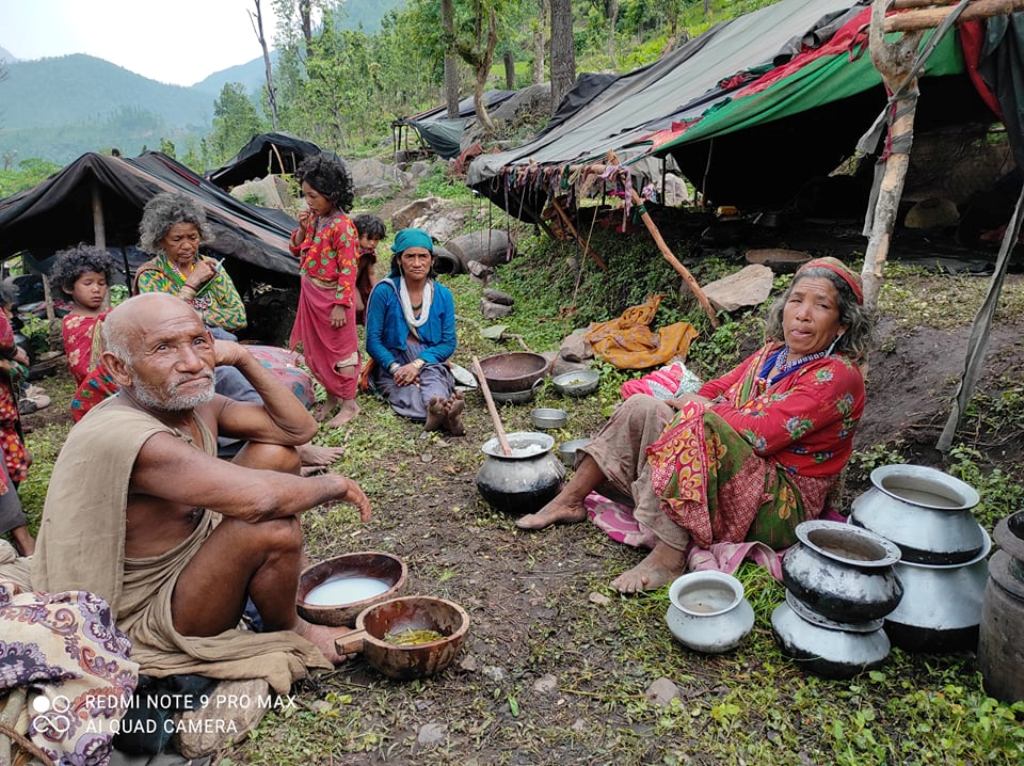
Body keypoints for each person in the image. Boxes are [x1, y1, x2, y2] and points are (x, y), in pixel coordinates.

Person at [6, 293, 372, 692]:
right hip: (144, 613)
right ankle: (292, 627)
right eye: (164, 347)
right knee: (271, 528)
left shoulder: (192, 403)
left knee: (277, 454)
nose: (193, 362)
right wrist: (332, 485)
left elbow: (296, 431)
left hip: (189, 566)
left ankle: (273, 589)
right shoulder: (127, 435)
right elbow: (258, 500)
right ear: (119, 368)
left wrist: (244, 358)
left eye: (199, 341)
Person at [517, 258, 871, 593]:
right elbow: (717, 389)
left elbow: (761, 435)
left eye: (821, 306)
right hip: (740, 469)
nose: (803, 314)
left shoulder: (838, 375)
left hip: (779, 501)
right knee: (643, 406)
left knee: (696, 420)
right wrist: (690, 402)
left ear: (842, 323)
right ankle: (570, 499)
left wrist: (696, 409)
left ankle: (669, 555)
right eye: (796, 300)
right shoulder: (773, 354)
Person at [365, 228, 463, 435]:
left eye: (423, 257)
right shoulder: (384, 292)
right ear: (399, 260)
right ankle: (442, 416)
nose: (417, 263)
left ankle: (437, 409)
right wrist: (396, 368)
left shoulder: (443, 295)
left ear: (432, 259)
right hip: (393, 361)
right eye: (410, 256)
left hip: (428, 359)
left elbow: (447, 343)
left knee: (434, 379)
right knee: (405, 389)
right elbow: (372, 341)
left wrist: (417, 364)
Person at [289, 154, 361, 428]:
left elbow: (348, 268)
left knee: (340, 349)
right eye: (305, 195)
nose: (309, 201)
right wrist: (302, 228)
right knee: (318, 348)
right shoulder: (317, 220)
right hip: (311, 296)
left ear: (332, 193)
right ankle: (332, 396)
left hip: (331, 299)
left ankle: (349, 403)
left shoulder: (343, 226)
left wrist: (342, 303)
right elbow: (298, 248)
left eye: (314, 196)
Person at [134, 192, 247, 332]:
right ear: (160, 241)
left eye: (193, 237)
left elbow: (238, 317)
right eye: (177, 239)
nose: (187, 246)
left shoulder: (212, 267)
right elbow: (162, 322)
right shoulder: (151, 275)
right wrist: (191, 284)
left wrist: (197, 315)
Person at [52, 244, 121, 420]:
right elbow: (82, 369)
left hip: (125, 391)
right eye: (88, 283)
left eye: (101, 283)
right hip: (98, 398)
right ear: (68, 288)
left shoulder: (114, 316)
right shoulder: (74, 324)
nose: (96, 289)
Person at [0, 282, 33, 556]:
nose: (9, 318)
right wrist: (10, 358)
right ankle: (21, 538)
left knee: (17, 462)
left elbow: (22, 371)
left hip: (5, 420)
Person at [353, 213, 386, 326]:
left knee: (364, 306)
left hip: (355, 284)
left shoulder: (369, 254)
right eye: (369, 238)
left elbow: (371, 273)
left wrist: (378, 290)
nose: (372, 243)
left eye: (376, 240)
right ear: (358, 234)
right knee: (359, 306)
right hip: (344, 283)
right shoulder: (350, 250)